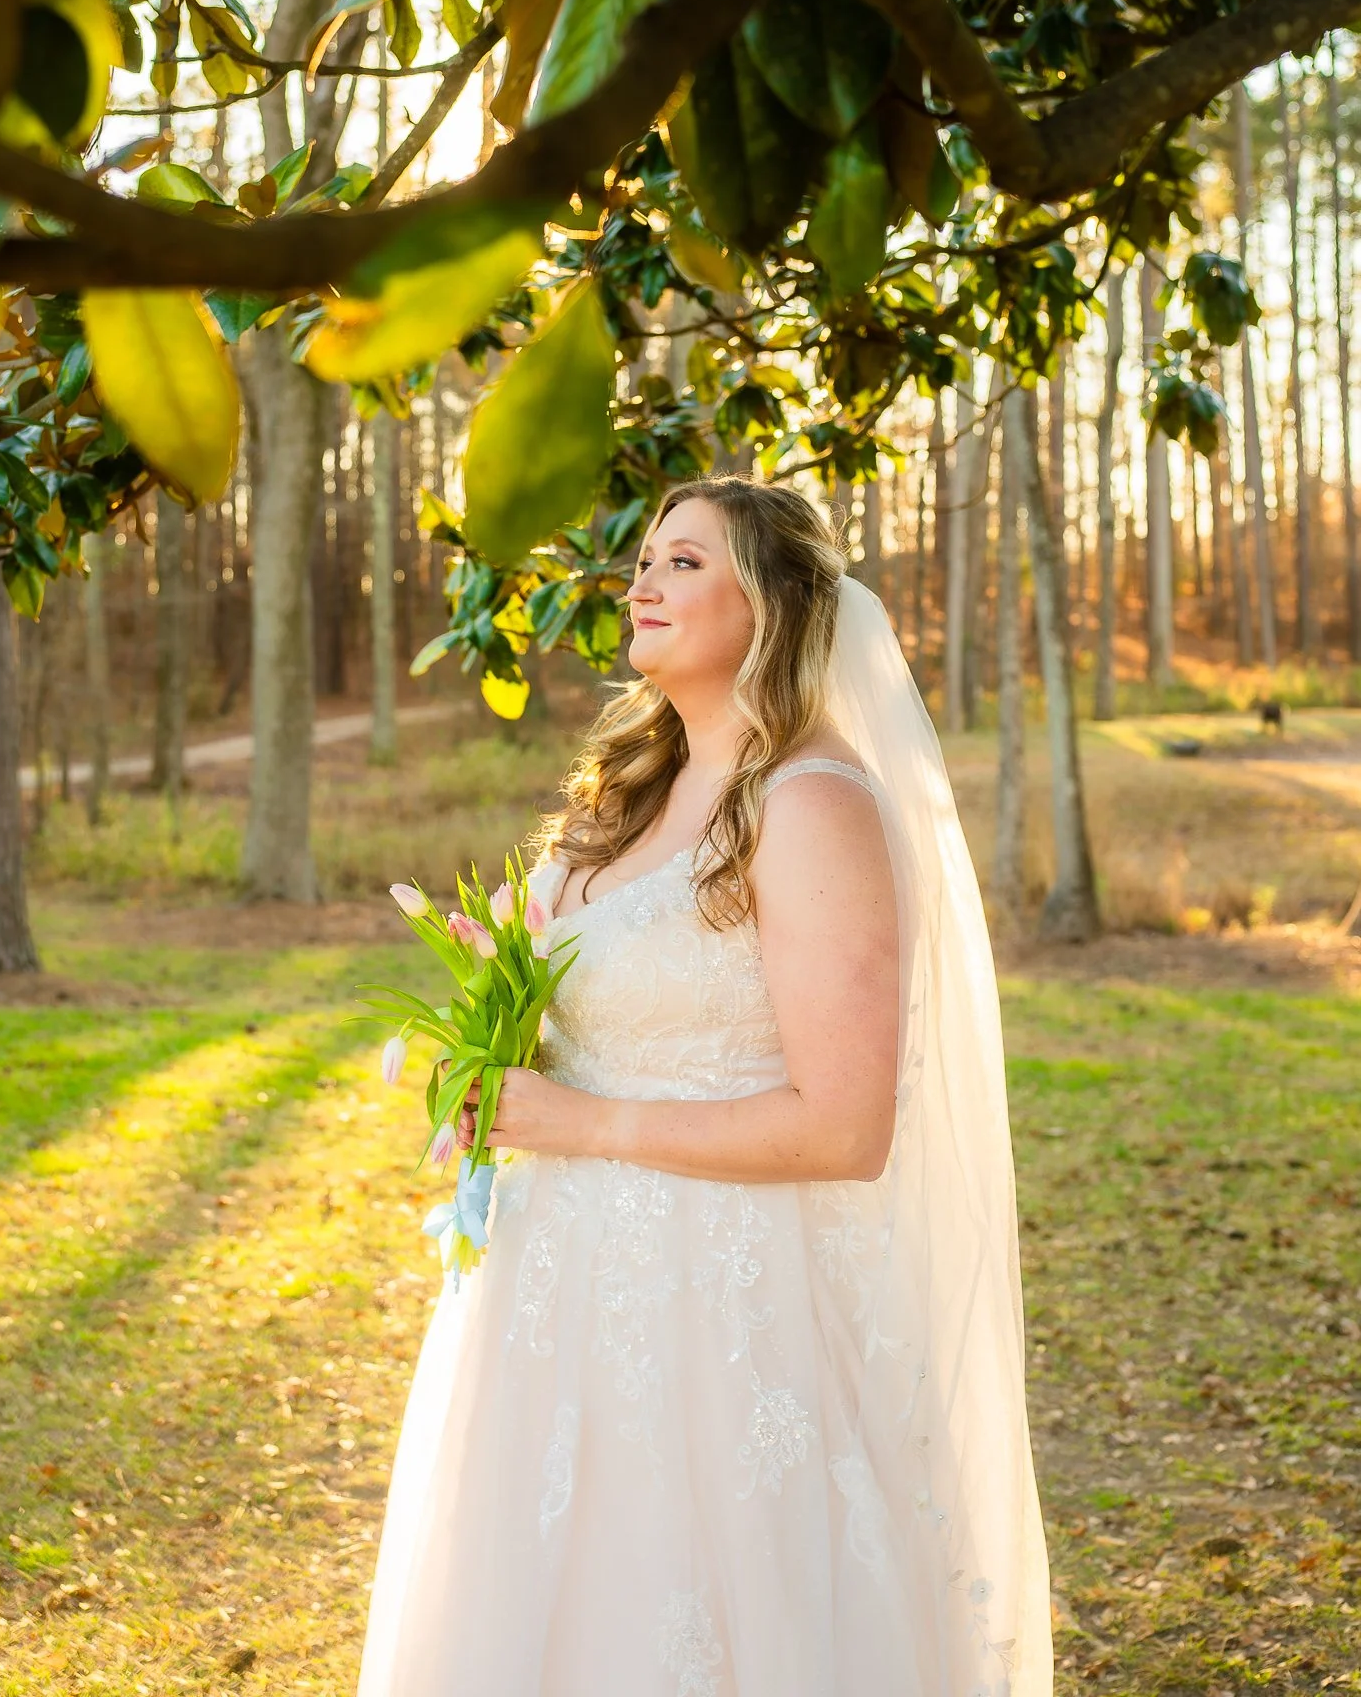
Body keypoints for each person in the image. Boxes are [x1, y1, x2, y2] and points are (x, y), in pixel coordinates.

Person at [357, 476, 1051, 1697]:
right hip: (551, 1290)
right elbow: (592, 1003)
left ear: (771, 603)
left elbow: (846, 1127)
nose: (642, 582)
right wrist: (500, 1060)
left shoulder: (813, 802)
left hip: (723, 1308)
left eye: (683, 561)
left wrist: (582, 1119)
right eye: (643, 561)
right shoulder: (626, 790)